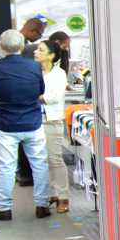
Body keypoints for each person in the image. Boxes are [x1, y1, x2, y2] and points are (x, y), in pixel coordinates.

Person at [0, 30, 50, 221]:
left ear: (2, 46)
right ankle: (42, 205)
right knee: (39, 165)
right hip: (33, 123)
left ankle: (5, 209)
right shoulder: (34, 66)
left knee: (6, 167)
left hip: (6, 125)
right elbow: (40, 90)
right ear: (22, 46)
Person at [35, 41, 69, 213]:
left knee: (55, 158)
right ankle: (54, 193)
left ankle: (63, 196)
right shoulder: (35, 71)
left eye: (40, 50)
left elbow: (54, 97)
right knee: (43, 160)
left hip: (52, 121)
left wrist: (36, 96)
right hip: (35, 121)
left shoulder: (59, 74)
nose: (36, 52)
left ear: (51, 55)